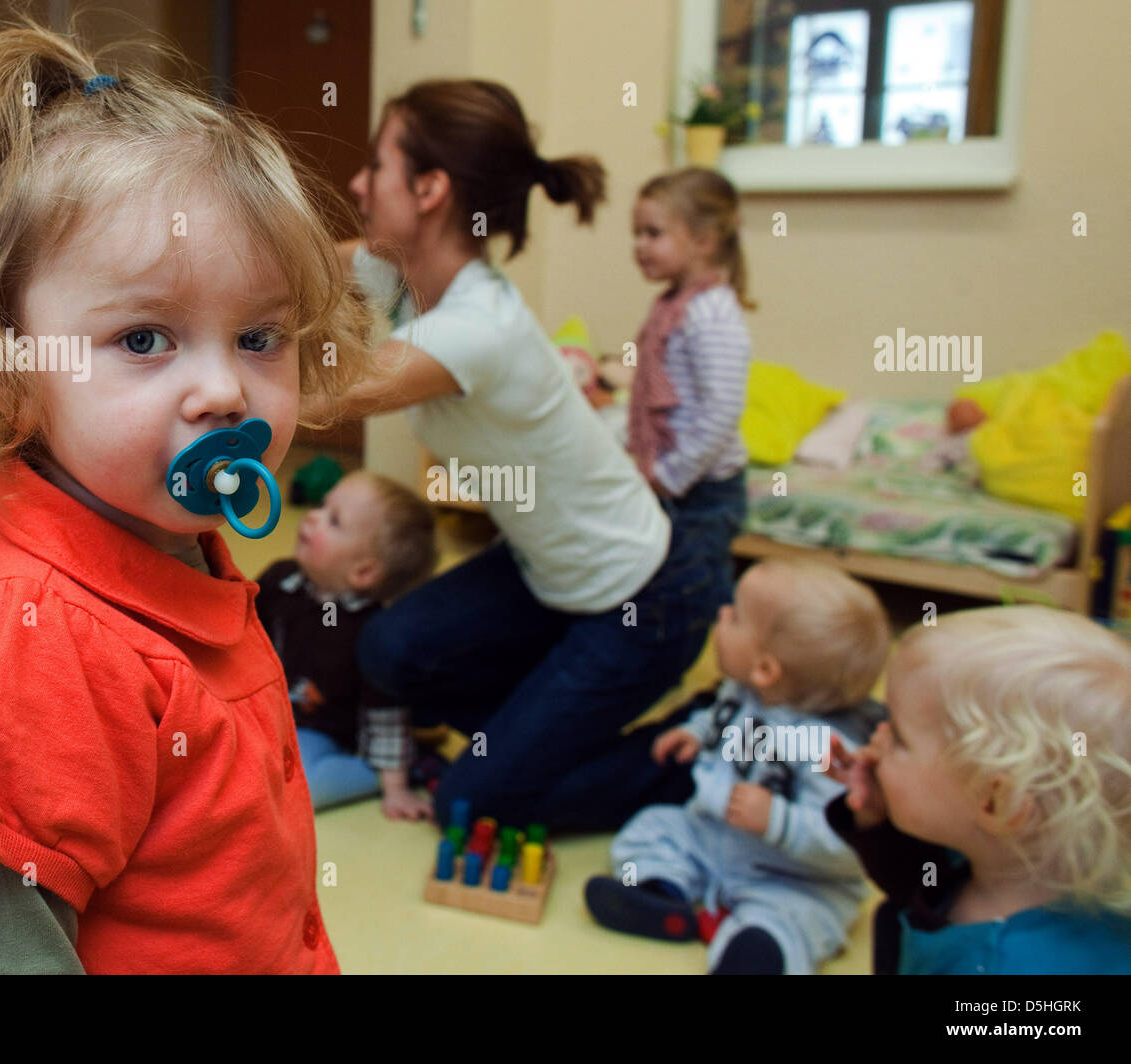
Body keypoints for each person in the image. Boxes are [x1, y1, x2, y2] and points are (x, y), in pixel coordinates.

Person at [0, 17, 369, 973]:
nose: (225, 390)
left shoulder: (165, 544)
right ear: (12, 377)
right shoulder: (28, 649)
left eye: (261, 338)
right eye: (145, 339)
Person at [310, 79, 733, 832]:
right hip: (546, 577)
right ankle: (534, 729)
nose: (357, 183)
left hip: (643, 600)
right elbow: (309, 265)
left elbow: (318, 398)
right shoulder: (408, 276)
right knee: (390, 650)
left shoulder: (477, 327)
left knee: (474, 804)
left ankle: (697, 746)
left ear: (432, 188)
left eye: (377, 166)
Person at [585, 560, 890, 974]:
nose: (721, 615)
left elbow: (846, 847)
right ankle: (662, 892)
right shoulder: (744, 690)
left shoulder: (827, 749)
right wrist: (696, 732)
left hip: (791, 876)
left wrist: (777, 819)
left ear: (767, 668)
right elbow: (722, 717)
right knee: (654, 827)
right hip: (712, 835)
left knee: (797, 917)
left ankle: (758, 953)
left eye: (736, 616)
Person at [827, 606, 1131, 974]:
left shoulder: (1009, 967)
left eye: (901, 739)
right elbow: (919, 882)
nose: (877, 736)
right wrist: (873, 814)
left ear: (996, 803)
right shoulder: (1002, 858)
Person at [255, 471, 438, 818]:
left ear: (363, 572)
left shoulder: (372, 633)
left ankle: (399, 769)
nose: (312, 515)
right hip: (269, 717)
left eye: (333, 520)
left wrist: (394, 788)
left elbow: (384, 714)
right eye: (323, 506)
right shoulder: (281, 580)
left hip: (325, 736)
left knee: (299, 786)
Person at [628, 168, 754, 591]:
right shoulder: (672, 305)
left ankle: (731, 646)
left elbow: (720, 412)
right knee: (675, 585)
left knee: (693, 590)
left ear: (704, 241)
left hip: (702, 490)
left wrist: (671, 474)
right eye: (637, 234)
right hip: (678, 482)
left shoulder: (710, 312)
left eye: (653, 233)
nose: (639, 245)